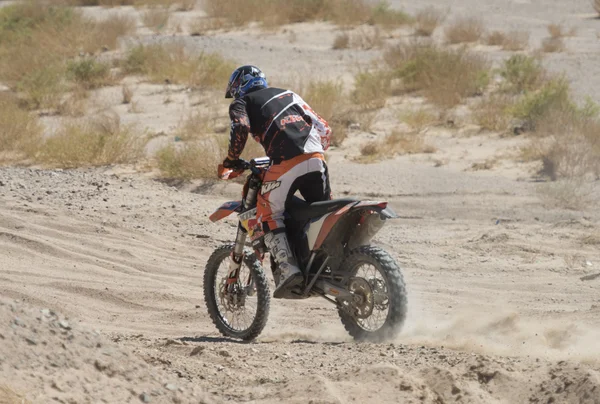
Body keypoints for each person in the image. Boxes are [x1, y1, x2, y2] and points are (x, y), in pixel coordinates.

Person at [222, 65, 332, 298]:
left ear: (239, 87)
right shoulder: (289, 94)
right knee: (322, 215)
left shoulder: (242, 103)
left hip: (285, 161)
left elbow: (241, 126)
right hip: (317, 159)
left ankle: (289, 268)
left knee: (269, 213)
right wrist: (312, 152)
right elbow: (324, 128)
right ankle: (327, 266)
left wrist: (231, 159)